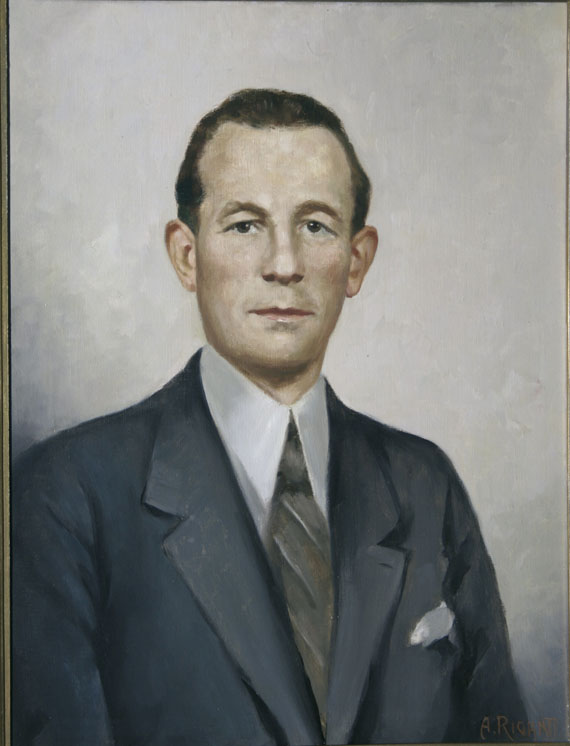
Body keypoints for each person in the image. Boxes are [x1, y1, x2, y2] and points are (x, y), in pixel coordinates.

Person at [12, 89, 526, 745]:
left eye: (315, 226)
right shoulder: (66, 495)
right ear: (187, 255)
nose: (284, 265)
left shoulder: (425, 484)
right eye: (244, 225)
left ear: (357, 260)